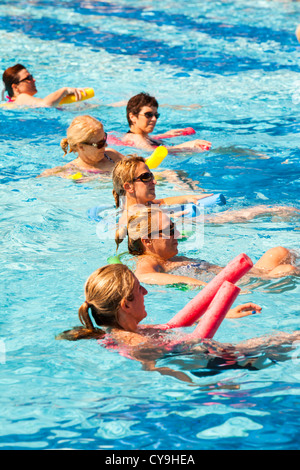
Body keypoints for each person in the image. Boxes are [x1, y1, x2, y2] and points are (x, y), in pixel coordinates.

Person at [56, 264, 300, 382]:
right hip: (210, 366)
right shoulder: (136, 342)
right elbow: (155, 368)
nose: (146, 292)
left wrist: (225, 313)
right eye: (139, 288)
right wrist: (204, 387)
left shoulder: (129, 331)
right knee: (283, 340)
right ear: (126, 305)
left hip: (207, 358)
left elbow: (172, 329)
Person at [123, 207, 299, 286]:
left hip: (246, 274)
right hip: (242, 284)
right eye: (169, 230)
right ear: (147, 241)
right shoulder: (147, 262)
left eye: (173, 227)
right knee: (286, 269)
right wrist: (200, 285)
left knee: (280, 252)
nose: (176, 234)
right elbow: (143, 276)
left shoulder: (167, 258)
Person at [111, 155, 299, 228]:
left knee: (266, 210)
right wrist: (183, 212)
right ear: (128, 186)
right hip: (184, 226)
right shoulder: (137, 216)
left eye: (151, 176)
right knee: (258, 211)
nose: (153, 181)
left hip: (179, 223)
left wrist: (190, 197)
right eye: (145, 178)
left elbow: (164, 201)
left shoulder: (141, 205)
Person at [38, 115, 124, 179]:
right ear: (81, 147)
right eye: (99, 144)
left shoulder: (111, 156)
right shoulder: (72, 170)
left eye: (104, 138)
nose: (106, 145)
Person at [121, 92, 211, 152]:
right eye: (148, 115)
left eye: (156, 115)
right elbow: (152, 152)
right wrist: (186, 146)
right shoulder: (134, 138)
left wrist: (166, 135)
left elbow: (147, 141)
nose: (154, 119)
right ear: (132, 117)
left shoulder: (142, 136)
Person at [2, 63, 85, 107]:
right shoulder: (21, 97)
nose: (33, 80)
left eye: (32, 76)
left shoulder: (18, 103)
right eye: (28, 78)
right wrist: (64, 90)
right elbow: (45, 104)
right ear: (15, 87)